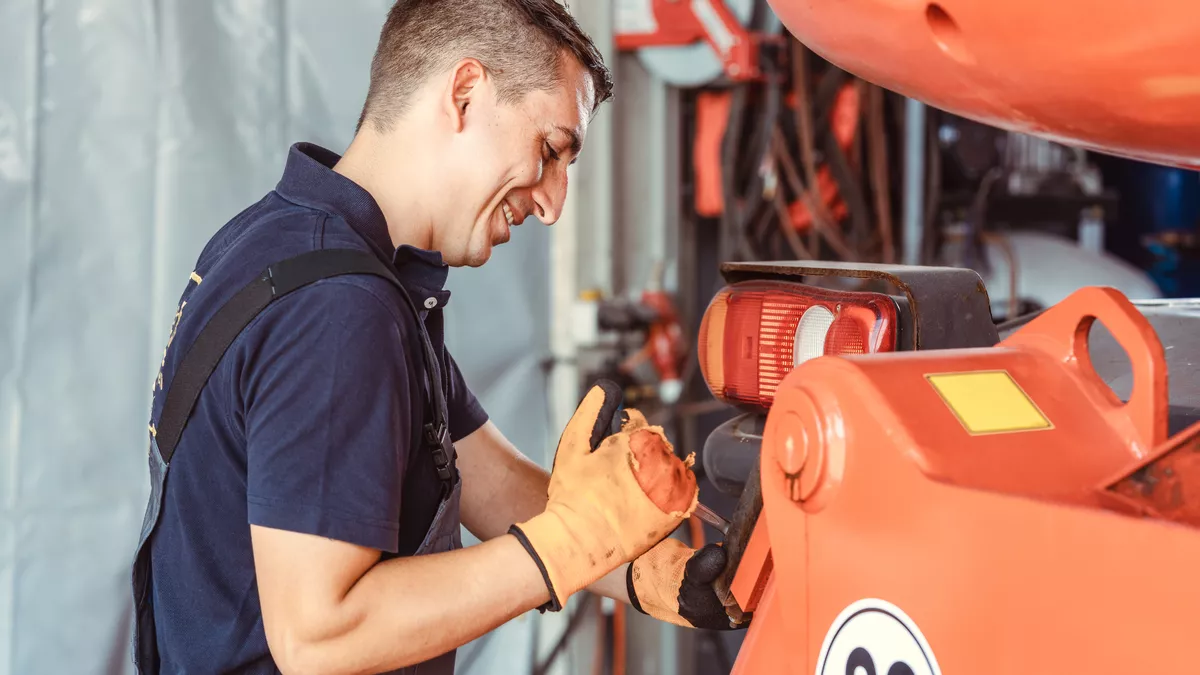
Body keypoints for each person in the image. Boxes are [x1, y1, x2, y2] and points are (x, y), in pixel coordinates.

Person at [130, 1, 739, 674]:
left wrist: (653, 574)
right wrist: (565, 545)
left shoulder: (288, 245)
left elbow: (489, 478)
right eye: (549, 150)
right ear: (465, 93)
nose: (552, 203)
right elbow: (320, 633)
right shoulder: (338, 307)